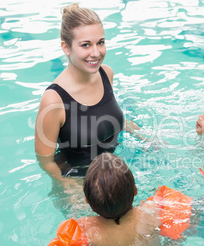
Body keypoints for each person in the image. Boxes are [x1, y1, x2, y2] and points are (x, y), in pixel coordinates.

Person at [35, 4, 139, 187]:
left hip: (114, 172)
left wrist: (144, 137)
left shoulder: (106, 74)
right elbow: (46, 160)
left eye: (100, 42)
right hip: (79, 180)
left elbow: (108, 117)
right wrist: (67, 188)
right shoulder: (54, 99)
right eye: (86, 45)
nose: (96, 53)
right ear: (66, 48)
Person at [46, 153, 192, 246]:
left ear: (87, 201)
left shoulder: (84, 228)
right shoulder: (153, 210)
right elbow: (176, 245)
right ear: (135, 191)